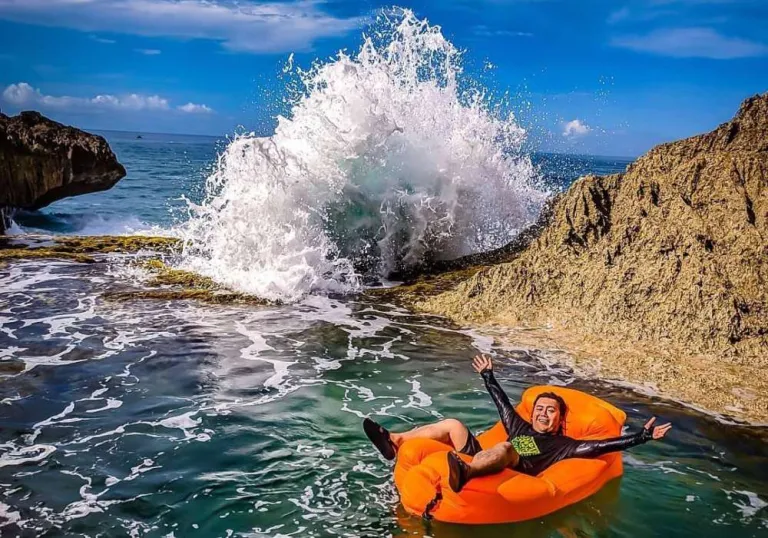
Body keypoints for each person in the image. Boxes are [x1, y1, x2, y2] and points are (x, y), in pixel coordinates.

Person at [363, 354, 672, 492]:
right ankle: (395, 441)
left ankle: (466, 472)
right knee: (455, 425)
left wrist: (642, 437)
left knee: (509, 447)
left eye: (550, 411)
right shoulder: (520, 426)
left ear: (559, 419)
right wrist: (488, 374)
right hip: (486, 452)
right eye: (539, 408)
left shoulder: (564, 446)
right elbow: (502, 403)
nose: (543, 413)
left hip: (513, 467)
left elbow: (603, 445)